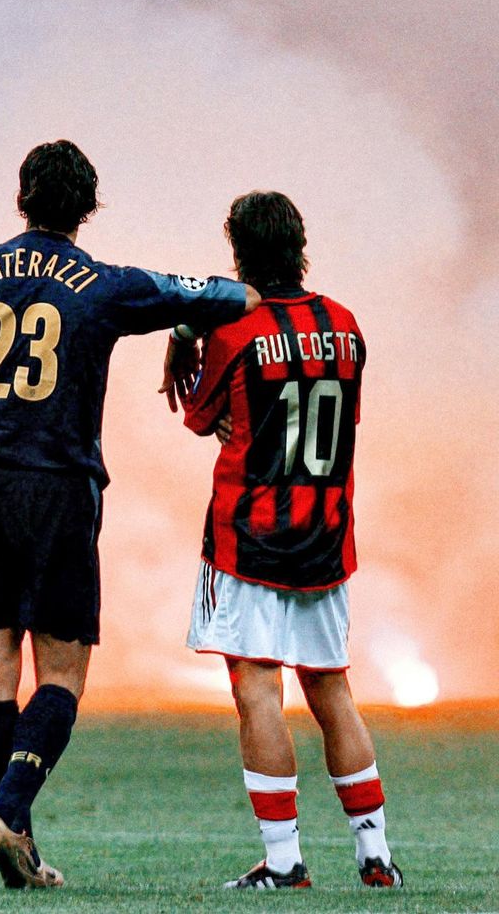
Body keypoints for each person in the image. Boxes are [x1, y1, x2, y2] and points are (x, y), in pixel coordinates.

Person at [0, 140, 259, 890]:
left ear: (21, 198)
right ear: (88, 208)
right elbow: (233, 298)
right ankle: (7, 816)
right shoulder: (106, 284)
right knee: (63, 675)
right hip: (58, 494)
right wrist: (179, 334)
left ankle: (21, 849)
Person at [163, 190, 402, 890]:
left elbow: (200, 416)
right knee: (332, 688)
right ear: (300, 243)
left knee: (257, 691)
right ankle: (374, 853)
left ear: (238, 252)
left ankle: (285, 860)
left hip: (250, 537)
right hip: (326, 535)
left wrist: (187, 338)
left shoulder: (235, 331)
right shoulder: (347, 325)